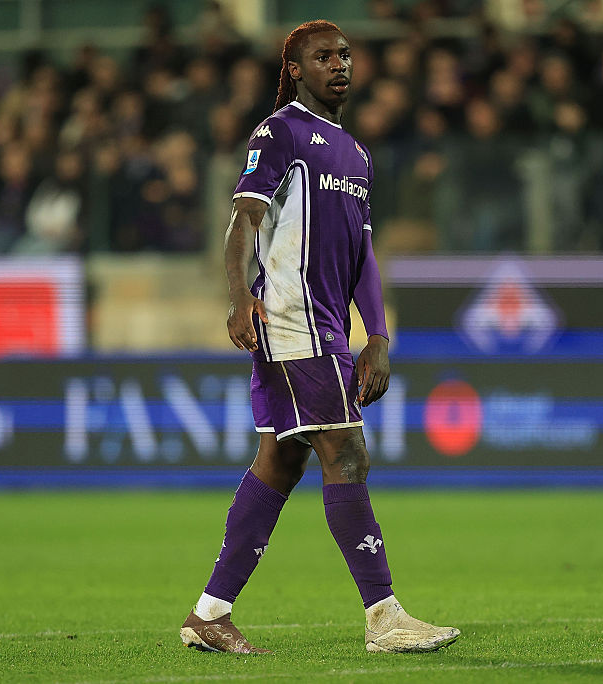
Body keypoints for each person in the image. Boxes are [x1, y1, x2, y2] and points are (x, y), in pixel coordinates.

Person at [179, 20, 460, 655]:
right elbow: (243, 219)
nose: (340, 65)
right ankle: (384, 615)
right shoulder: (278, 133)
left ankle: (209, 614)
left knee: (283, 459)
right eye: (323, 57)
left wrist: (379, 335)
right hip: (291, 318)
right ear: (296, 69)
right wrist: (238, 297)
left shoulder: (356, 155)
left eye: (346, 55)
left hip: (328, 324)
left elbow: (363, 254)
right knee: (347, 453)